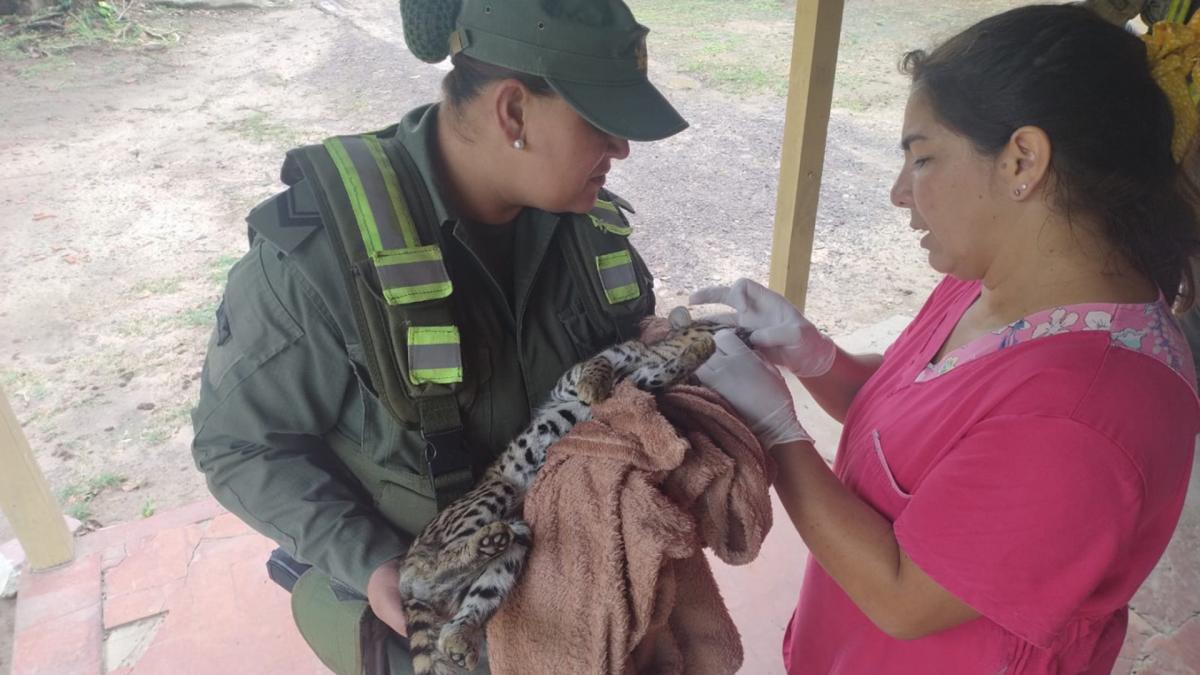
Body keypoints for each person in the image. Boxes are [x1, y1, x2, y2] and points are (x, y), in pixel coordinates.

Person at [693, 5, 1200, 674]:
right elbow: (915, 417)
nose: (901, 193)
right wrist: (812, 354)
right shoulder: (993, 282)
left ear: (1023, 159)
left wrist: (776, 431)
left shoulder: (1086, 413)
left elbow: (904, 595)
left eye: (923, 158)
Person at [189, 1, 686, 673]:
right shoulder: (323, 260)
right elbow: (239, 445)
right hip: (444, 627)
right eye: (601, 120)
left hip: (595, 607)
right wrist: (371, 562)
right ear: (512, 112)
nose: (622, 147)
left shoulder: (587, 228)